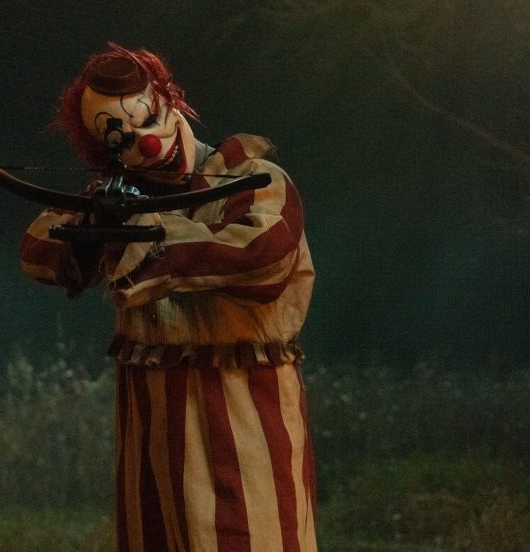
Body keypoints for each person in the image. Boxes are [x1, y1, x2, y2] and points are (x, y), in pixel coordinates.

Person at [19, 43, 317, 552]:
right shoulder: (117, 196)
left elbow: (264, 257)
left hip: (242, 410)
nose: (150, 144)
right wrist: (98, 222)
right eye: (126, 140)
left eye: (150, 119)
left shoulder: (251, 178)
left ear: (168, 101)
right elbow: (39, 251)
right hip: (152, 421)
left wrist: (150, 236)